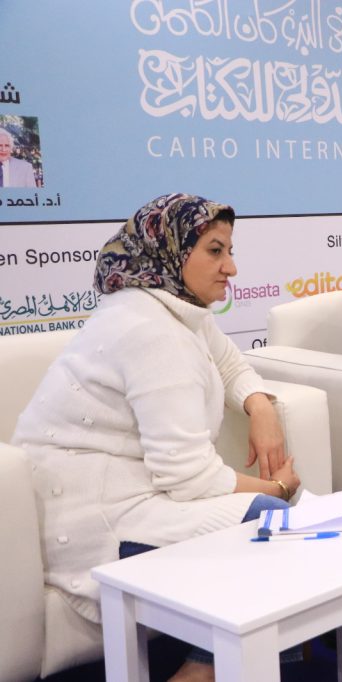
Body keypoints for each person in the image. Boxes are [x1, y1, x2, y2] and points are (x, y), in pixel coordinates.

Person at [13, 193, 301, 682]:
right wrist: (278, 488)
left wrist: (261, 406)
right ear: (172, 249)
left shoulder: (169, 304)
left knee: (277, 528)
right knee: (272, 520)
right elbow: (188, 476)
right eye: (215, 251)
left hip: (134, 493)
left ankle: (230, 665)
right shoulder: (153, 332)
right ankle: (207, 671)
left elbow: (228, 361)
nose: (231, 267)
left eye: (230, 251)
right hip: (94, 520)